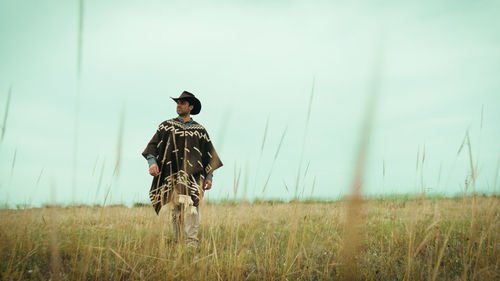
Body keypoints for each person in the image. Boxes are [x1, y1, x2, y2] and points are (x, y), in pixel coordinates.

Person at [142, 91, 223, 247]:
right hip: (172, 174)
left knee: (192, 207)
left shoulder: (200, 130)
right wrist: (152, 163)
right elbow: (153, 146)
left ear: (190, 107)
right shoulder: (166, 126)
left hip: (194, 177)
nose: (179, 105)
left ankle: (191, 243)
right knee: (177, 208)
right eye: (177, 103)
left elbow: (209, 155)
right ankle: (178, 242)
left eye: (182, 103)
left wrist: (209, 177)